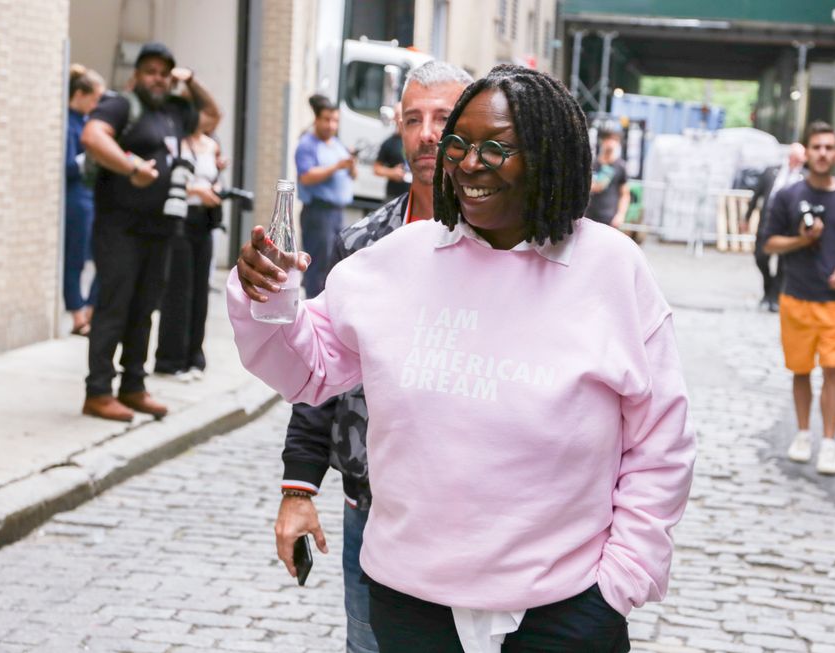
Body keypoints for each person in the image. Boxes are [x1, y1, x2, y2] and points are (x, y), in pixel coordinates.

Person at [231, 64, 695, 652]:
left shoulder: (612, 269)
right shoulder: (395, 260)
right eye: (461, 144)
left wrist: (621, 581)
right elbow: (307, 367)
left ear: (550, 155)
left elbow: (662, 442)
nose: (469, 164)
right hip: (410, 605)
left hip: (563, 610)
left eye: (497, 148)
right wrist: (264, 297)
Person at [278, 60, 472, 653]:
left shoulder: (506, 245)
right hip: (373, 510)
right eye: (413, 119)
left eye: (444, 117)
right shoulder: (364, 246)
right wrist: (298, 488)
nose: (427, 134)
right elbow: (321, 371)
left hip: (472, 516)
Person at [80, 42, 219, 422]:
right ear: (137, 75)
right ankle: (98, 391)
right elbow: (93, 136)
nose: (157, 78)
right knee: (115, 308)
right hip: (120, 227)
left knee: (143, 312)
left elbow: (212, 114)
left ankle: (133, 386)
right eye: (151, 71)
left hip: (161, 230)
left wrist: (190, 81)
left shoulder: (174, 111)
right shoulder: (122, 105)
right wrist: (129, 167)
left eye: (164, 72)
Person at [761, 121, 835, 476]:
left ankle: (829, 442)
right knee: (800, 370)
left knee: (833, 370)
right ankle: (803, 434)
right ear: (806, 152)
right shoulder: (788, 196)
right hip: (797, 294)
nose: (822, 153)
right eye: (817, 147)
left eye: (828, 148)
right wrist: (802, 240)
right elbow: (768, 243)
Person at [154, 107, 225, 381]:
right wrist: (196, 190)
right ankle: (171, 359)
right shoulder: (174, 143)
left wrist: (215, 189)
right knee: (178, 291)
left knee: (200, 291)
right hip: (180, 218)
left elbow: (215, 179)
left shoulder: (211, 144)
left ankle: (194, 356)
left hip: (204, 220)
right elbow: (163, 181)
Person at [295, 99, 356, 298]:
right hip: (318, 213)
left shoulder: (336, 143)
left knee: (335, 266)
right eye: (327, 120)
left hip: (337, 213)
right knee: (318, 269)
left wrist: (350, 164)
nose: (331, 125)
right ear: (317, 119)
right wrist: (335, 167)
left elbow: (351, 175)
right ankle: (313, 316)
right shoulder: (307, 145)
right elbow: (306, 177)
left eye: (335, 121)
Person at [64, 64, 105, 337]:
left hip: (91, 196)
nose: (96, 105)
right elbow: (67, 166)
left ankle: (89, 310)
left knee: (102, 257)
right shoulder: (68, 123)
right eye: (94, 99)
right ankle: (79, 315)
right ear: (79, 94)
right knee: (75, 258)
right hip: (76, 198)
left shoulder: (85, 121)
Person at [745, 142, 806, 312]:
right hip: (768, 222)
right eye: (798, 158)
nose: (800, 161)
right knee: (760, 257)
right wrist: (747, 217)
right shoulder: (772, 172)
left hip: (789, 226)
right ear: (791, 157)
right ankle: (768, 286)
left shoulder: (804, 176)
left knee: (783, 264)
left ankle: (774, 296)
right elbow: (757, 195)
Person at [584, 131, 629, 228]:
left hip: (610, 219)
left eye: (614, 140)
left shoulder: (620, 166)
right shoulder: (592, 164)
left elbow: (625, 194)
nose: (611, 143)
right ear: (602, 142)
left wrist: (621, 215)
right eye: (608, 139)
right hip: (588, 217)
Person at [373, 103, 411, 200]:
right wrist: (391, 172)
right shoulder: (389, 143)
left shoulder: (416, 139)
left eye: (403, 114)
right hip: (394, 195)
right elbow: (376, 168)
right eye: (397, 115)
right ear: (394, 118)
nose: (400, 118)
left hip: (415, 196)